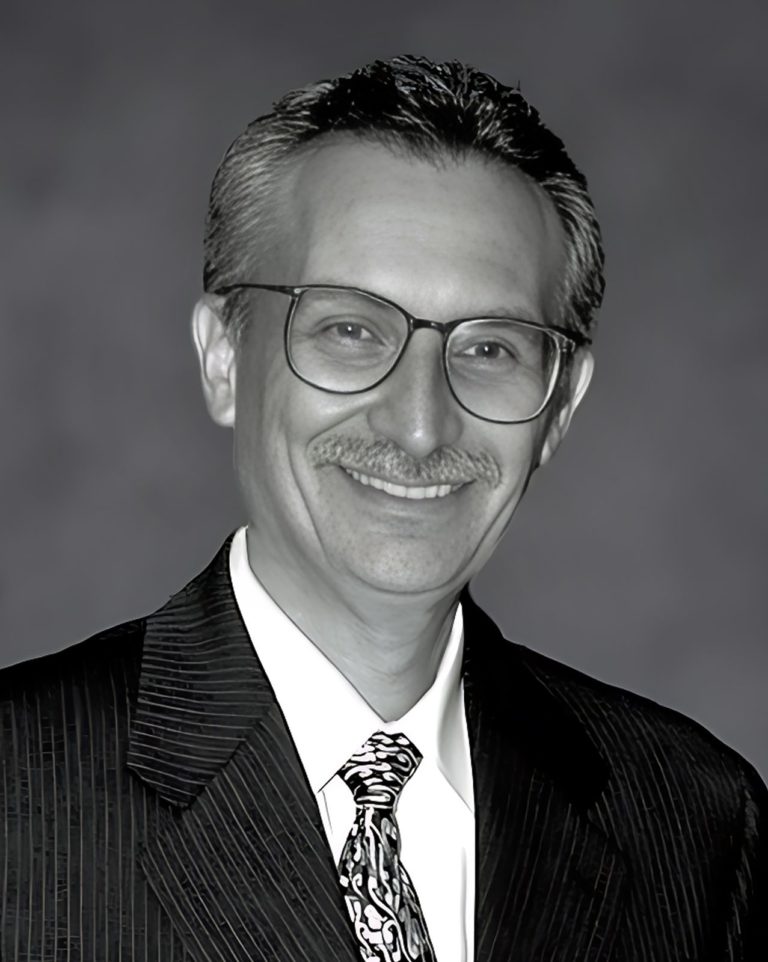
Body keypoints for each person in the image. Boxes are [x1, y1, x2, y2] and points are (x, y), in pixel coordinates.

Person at [1, 55, 765, 962]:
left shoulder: (699, 825)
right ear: (223, 359)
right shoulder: (18, 791)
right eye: (351, 330)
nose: (419, 424)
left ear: (560, 404)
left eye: (490, 348)